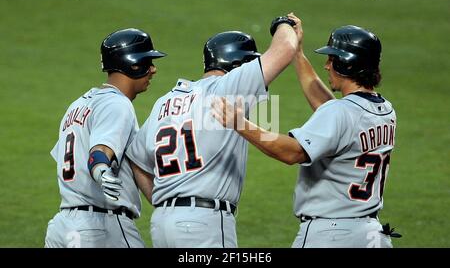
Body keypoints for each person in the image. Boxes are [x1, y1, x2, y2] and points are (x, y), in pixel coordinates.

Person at [212, 15, 400, 248]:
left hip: (331, 235)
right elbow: (331, 111)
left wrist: (240, 123)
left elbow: (292, 153)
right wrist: (297, 55)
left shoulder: (340, 114)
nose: (327, 65)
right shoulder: (384, 111)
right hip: (371, 236)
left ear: (346, 64)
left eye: (332, 59)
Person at [125, 15, 300, 247]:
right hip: (203, 224)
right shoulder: (229, 86)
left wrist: (166, 203)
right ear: (239, 66)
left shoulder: (164, 103)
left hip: (163, 224)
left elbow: (137, 161)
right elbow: (286, 47)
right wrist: (284, 23)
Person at [45, 28, 166, 248]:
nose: (153, 69)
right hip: (100, 227)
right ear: (133, 65)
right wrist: (101, 170)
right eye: (148, 62)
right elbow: (100, 152)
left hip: (62, 226)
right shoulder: (117, 104)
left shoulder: (78, 105)